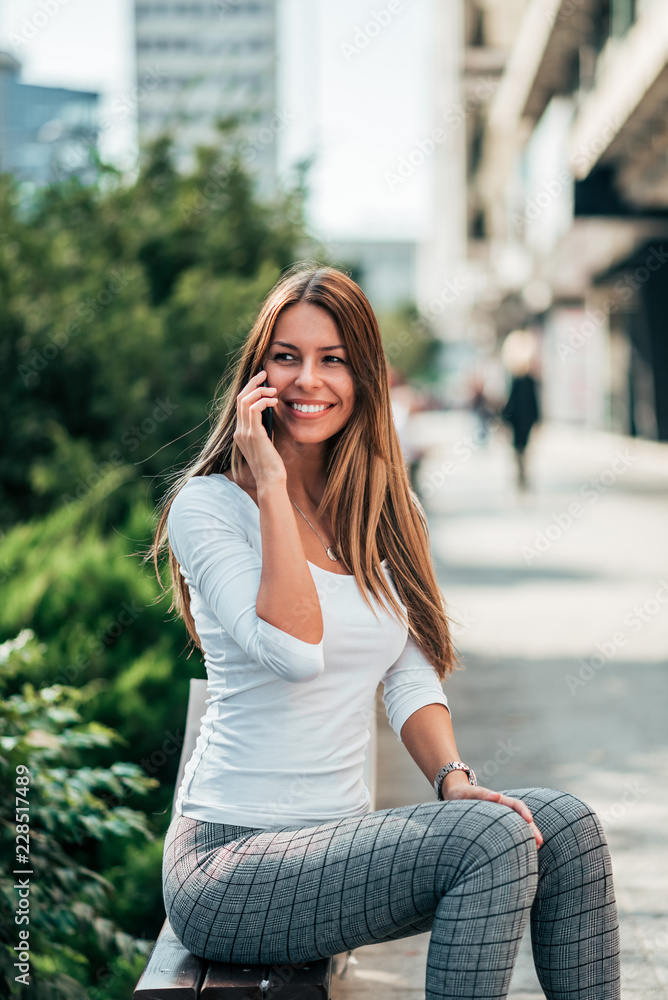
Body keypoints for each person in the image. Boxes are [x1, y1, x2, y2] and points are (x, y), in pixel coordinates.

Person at [150, 263, 620, 999]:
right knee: (491, 844)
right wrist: (271, 485)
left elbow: (406, 670)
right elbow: (297, 653)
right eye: (287, 356)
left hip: (334, 855)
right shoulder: (210, 509)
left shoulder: (381, 508)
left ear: (365, 376)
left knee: (565, 826)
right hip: (229, 866)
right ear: (257, 374)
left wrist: (452, 778)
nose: (309, 380)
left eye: (333, 359)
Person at [501, 364, 541, 491]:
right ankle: (521, 473)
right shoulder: (523, 381)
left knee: (520, 448)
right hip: (522, 421)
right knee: (521, 449)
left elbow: (513, 402)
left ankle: (521, 473)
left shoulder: (522, 381)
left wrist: (505, 418)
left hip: (520, 421)